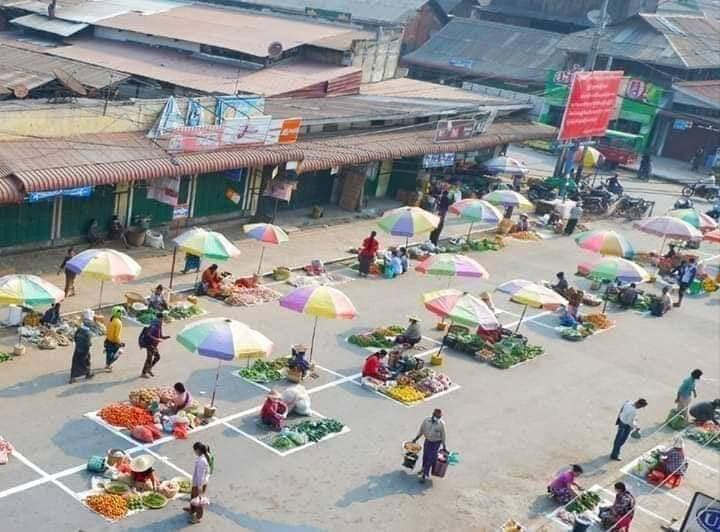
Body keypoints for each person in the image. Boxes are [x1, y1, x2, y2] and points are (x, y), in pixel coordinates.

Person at [411, 408, 447, 483]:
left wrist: (444, 446)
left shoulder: (441, 424)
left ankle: (424, 474)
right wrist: (416, 438)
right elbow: (421, 430)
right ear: (432, 414)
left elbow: (443, 435)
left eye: (438, 417)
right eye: (435, 415)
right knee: (426, 456)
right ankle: (423, 469)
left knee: (431, 458)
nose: (436, 418)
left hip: (436, 443)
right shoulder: (426, 420)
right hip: (427, 441)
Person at [185, 442, 212, 524]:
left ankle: (198, 517)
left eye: (195, 450)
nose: (194, 452)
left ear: (198, 450)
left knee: (199, 501)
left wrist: (199, 489)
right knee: (193, 496)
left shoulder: (201, 461)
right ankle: (192, 510)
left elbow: (200, 476)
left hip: (199, 484)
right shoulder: (205, 457)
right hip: (198, 483)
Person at [104, 306, 124, 372]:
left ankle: (107, 365)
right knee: (117, 354)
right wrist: (120, 343)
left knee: (109, 354)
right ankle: (108, 365)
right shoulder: (118, 323)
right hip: (114, 341)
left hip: (108, 340)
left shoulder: (111, 319)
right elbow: (116, 335)